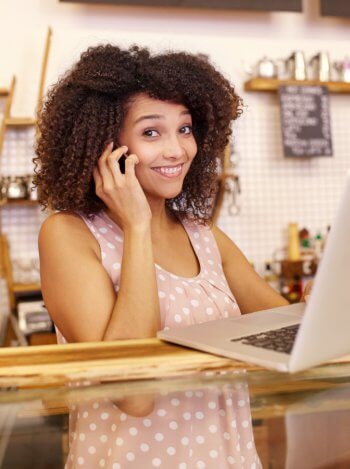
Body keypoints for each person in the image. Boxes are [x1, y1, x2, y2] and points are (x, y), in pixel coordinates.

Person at [34, 43, 290, 346]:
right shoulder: (67, 234)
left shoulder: (202, 234)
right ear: (105, 146)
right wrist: (137, 226)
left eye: (184, 128)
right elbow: (123, 368)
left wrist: (318, 309)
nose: (177, 151)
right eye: (151, 132)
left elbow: (284, 326)